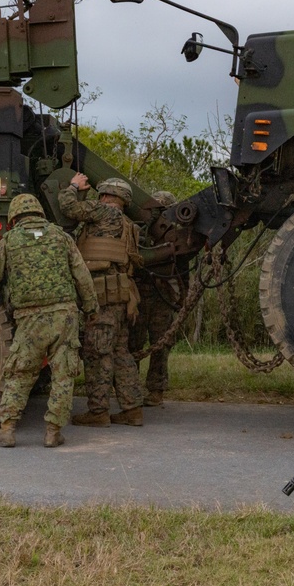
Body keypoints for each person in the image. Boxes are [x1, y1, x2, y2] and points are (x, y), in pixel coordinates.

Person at [0, 193, 98, 448]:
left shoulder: (9, 241)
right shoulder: (61, 237)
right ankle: (53, 432)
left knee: (20, 373)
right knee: (63, 375)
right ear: (40, 213)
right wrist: (91, 307)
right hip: (64, 316)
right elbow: (82, 276)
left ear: (13, 217)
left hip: (30, 319)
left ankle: (7, 430)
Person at [60, 173, 145, 426]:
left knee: (97, 352)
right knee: (120, 352)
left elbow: (68, 207)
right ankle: (132, 410)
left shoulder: (103, 212)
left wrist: (74, 186)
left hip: (102, 296)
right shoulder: (129, 225)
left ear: (106, 196)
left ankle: (98, 412)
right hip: (121, 295)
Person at [129, 190, 183, 407]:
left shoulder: (175, 237)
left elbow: (182, 271)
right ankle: (129, 389)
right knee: (134, 343)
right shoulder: (137, 233)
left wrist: (181, 299)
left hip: (162, 296)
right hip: (139, 294)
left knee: (161, 345)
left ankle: (155, 390)